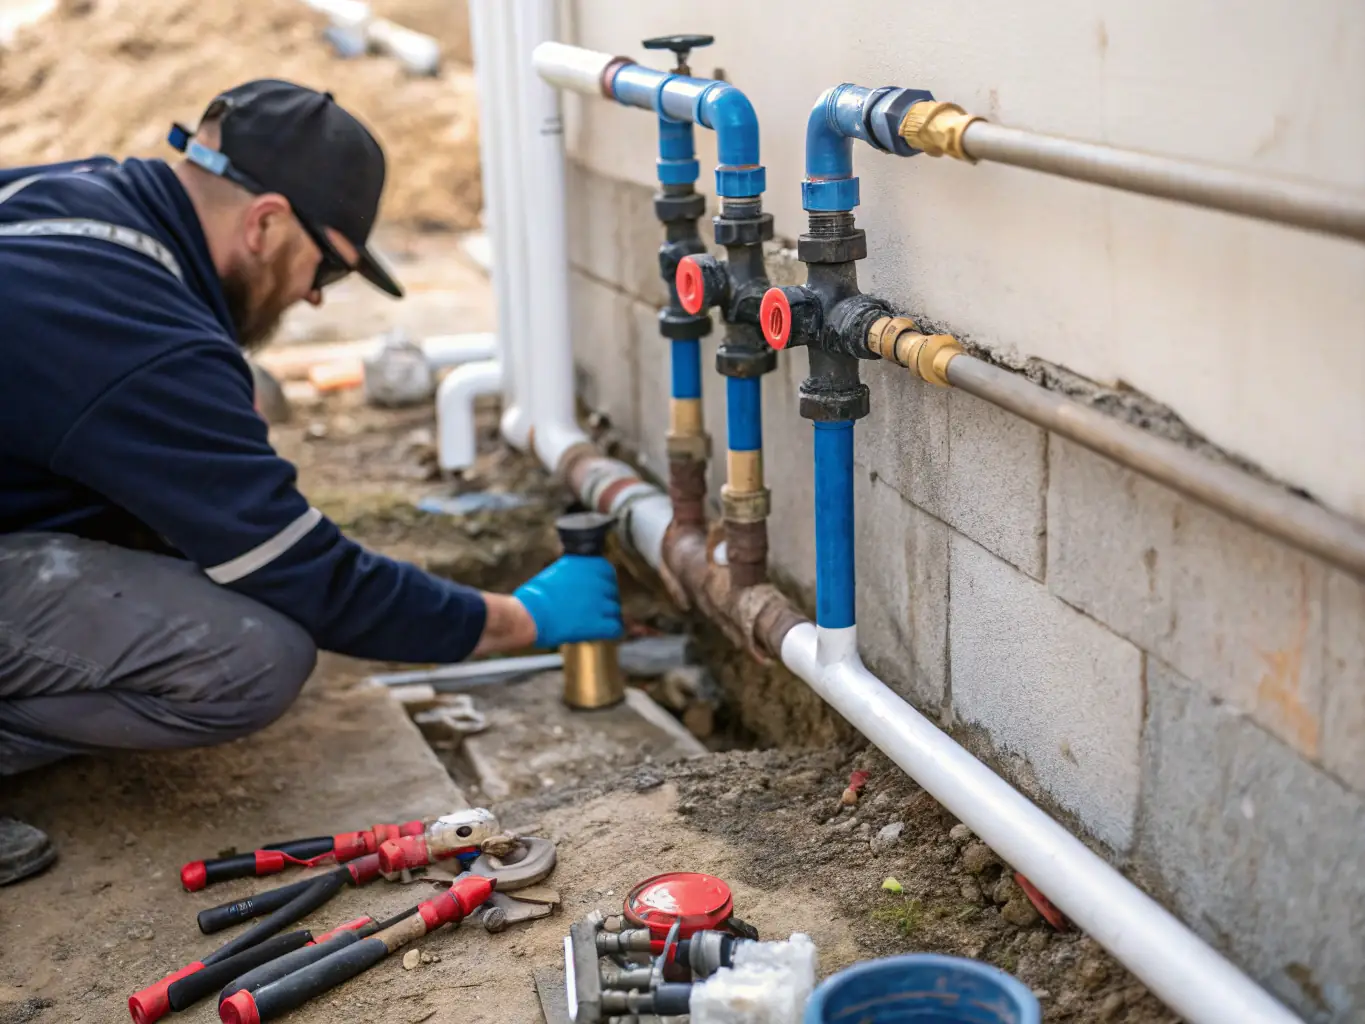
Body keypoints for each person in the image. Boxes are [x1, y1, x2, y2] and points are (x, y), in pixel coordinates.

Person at [0, 80, 623, 884]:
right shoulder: (139, 337)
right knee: (252, 656)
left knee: (238, 407)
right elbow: (304, 575)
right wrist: (514, 621)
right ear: (265, 222)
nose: (316, 295)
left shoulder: (74, 198)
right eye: (324, 264)